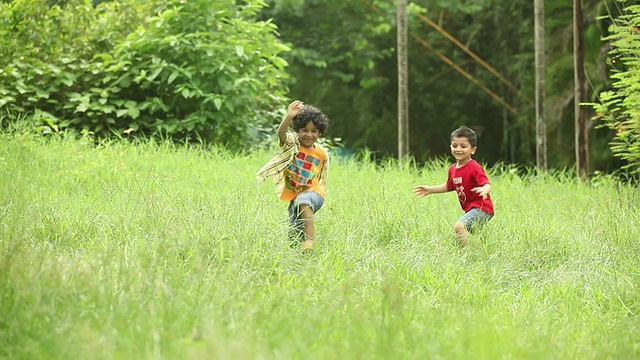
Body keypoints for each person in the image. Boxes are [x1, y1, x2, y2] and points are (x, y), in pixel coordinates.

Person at [257, 100, 330, 250]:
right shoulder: (293, 144)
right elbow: (281, 133)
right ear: (297, 131)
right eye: (304, 130)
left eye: (314, 131)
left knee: (304, 201)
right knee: (294, 232)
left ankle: (310, 241)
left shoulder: (322, 153)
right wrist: (289, 116)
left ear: (320, 132)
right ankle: (300, 255)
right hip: (295, 196)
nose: (309, 135)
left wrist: (319, 194)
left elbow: (322, 176)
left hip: (314, 193)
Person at [413, 126, 494, 246]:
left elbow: (486, 184)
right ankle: (475, 253)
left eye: (463, 146)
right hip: (471, 209)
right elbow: (449, 186)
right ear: (450, 146)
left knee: (459, 226)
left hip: (482, 208)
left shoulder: (474, 167)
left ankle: (470, 255)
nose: (458, 149)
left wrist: (484, 189)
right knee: (465, 235)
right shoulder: (452, 169)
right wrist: (430, 189)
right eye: (455, 145)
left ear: (473, 150)